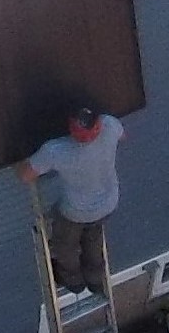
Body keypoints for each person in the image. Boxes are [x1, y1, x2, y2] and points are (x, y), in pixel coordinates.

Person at [18, 105, 125, 296]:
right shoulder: (110, 125)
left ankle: (73, 281)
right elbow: (123, 137)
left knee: (65, 247)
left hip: (74, 212)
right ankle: (95, 280)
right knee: (93, 239)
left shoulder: (57, 151)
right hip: (108, 202)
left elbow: (25, 175)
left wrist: (20, 159)